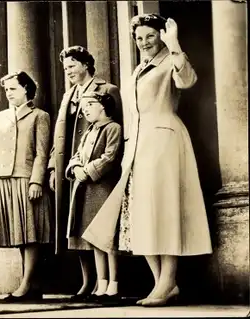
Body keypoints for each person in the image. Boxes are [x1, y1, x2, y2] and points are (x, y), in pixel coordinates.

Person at [82, 14, 213, 307]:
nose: (144, 43)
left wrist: (174, 45)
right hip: (139, 146)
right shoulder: (139, 69)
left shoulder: (171, 60)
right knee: (142, 214)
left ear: (160, 35)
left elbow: (188, 80)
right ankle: (161, 284)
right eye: (139, 38)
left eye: (150, 36)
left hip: (165, 140)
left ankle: (168, 281)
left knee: (165, 209)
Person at [0, 71, 52, 301]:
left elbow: (42, 154)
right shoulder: (1, 117)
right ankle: (32, 286)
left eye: (13, 88)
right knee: (19, 233)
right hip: (3, 179)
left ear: (26, 89)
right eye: (6, 89)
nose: (8, 93)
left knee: (31, 233)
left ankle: (26, 285)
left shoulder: (39, 116)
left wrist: (36, 181)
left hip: (26, 179)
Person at [48, 46, 122, 299]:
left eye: (72, 66)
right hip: (72, 170)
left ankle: (105, 282)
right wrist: (53, 167)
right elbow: (59, 136)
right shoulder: (69, 94)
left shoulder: (107, 90)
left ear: (86, 65)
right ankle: (88, 280)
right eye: (65, 67)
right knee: (77, 224)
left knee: (96, 224)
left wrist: (91, 169)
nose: (67, 71)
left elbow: (116, 134)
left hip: (97, 174)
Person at [64, 92, 123, 302]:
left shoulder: (113, 128)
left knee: (108, 239)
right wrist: (76, 167)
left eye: (90, 104)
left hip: (104, 188)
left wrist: (87, 170)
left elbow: (110, 156)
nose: (85, 109)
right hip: (87, 189)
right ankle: (102, 284)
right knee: (95, 239)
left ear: (104, 106)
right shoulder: (89, 130)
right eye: (84, 106)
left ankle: (114, 285)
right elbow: (77, 154)